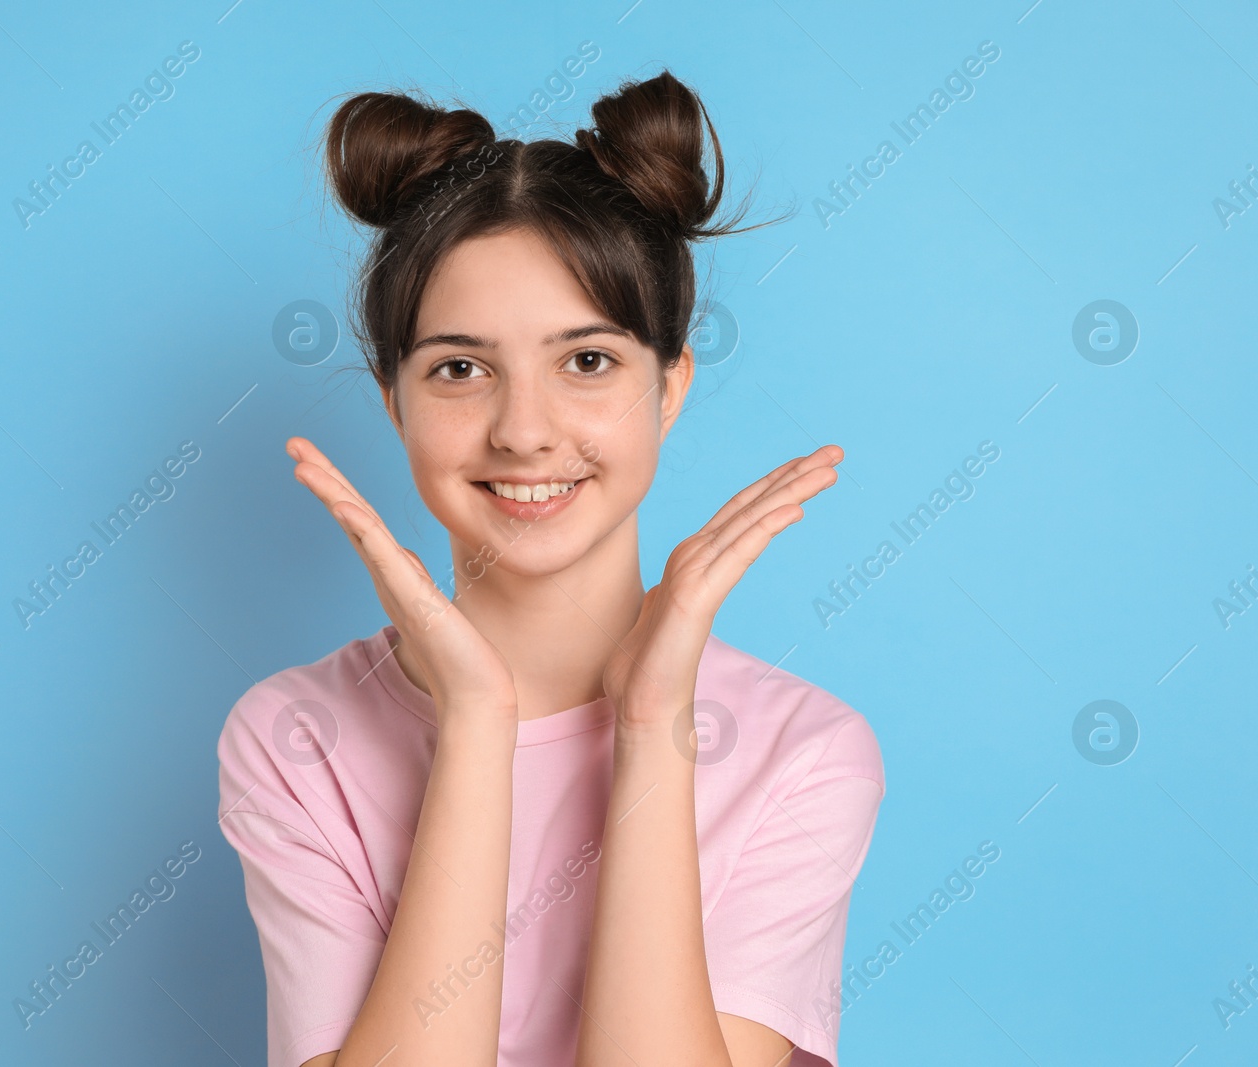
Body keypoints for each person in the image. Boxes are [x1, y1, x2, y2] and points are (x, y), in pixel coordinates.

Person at [217, 69, 885, 1067]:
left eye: (586, 361)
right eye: (458, 367)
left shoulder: (804, 751)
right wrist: (477, 722)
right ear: (393, 400)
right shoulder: (293, 738)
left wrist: (654, 727)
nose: (524, 431)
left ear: (668, 388)